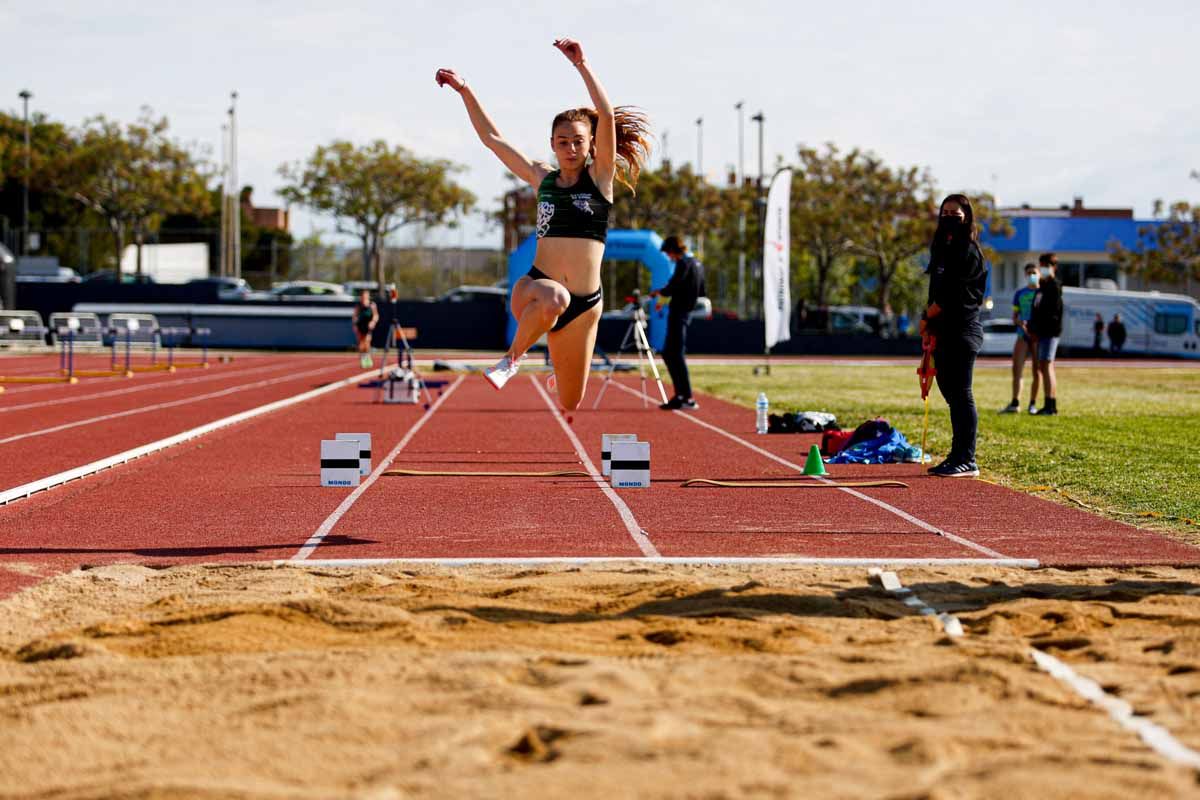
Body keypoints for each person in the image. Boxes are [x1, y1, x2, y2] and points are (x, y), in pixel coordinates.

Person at [435, 39, 650, 410]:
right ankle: (512, 359)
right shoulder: (541, 179)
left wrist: (582, 64)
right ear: (552, 144)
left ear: (590, 146)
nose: (570, 148)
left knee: (571, 401)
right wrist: (465, 90)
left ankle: (560, 367)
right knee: (556, 297)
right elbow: (492, 139)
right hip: (535, 289)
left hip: (588, 304)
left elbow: (607, 115)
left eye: (578, 142)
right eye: (562, 141)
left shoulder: (600, 179)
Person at [921, 194, 987, 478]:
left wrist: (927, 316)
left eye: (955, 214)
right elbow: (936, 290)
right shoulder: (942, 248)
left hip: (962, 331)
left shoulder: (968, 251)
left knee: (961, 394)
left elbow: (952, 296)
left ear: (966, 217)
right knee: (950, 393)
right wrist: (930, 324)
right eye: (945, 212)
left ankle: (966, 458)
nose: (949, 218)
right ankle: (956, 454)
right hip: (943, 330)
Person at [652, 236, 706, 410]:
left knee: (675, 354)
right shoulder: (697, 263)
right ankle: (681, 395)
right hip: (685, 312)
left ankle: (687, 397)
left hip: (679, 313)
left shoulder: (684, 263)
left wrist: (660, 292)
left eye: (668, 253)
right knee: (670, 353)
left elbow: (674, 285)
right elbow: (701, 289)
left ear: (673, 250)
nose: (668, 257)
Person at [999, 262, 1041, 414]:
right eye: (1029, 273)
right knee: (1017, 369)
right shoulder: (1020, 294)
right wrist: (1019, 322)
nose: (1031, 276)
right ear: (1025, 275)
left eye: (1034, 272)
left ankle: (1033, 404)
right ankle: (1015, 402)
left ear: (1039, 274)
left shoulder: (1042, 293)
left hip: (1037, 336)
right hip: (1022, 335)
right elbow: (1014, 316)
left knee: (1037, 371)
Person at [1029, 252, 1063, 416]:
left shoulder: (1054, 286)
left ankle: (1051, 404)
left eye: (1046, 266)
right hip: (1040, 332)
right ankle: (1048, 403)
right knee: (1043, 366)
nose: (1042, 269)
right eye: (1041, 265)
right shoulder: (1041, 286)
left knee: (1047, 365)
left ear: (1053, 267)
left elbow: (1052, 313)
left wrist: (1040, 329)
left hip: (1049, 332)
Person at [352, 290, 379, 369]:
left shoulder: (372, 305)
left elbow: (376, 315)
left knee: (367, 342)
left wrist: (373, 322)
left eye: (366, 296)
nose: (364, 298)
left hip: (368, 325)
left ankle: (368, 357)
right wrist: (355, 325)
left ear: (368, 297)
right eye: (363, 296)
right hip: (360, 325)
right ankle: (362, 359)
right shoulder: (358, 306)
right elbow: (355, 316)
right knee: (361, 343)